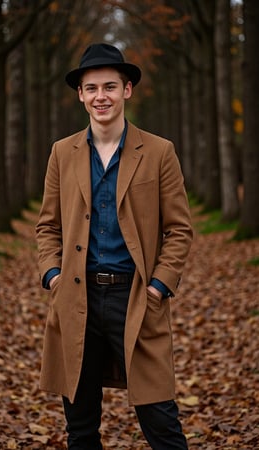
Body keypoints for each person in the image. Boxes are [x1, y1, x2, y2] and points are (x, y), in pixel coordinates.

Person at [36, 42, 193, 450]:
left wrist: (159, 285)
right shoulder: (61, 153)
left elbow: (179, 229)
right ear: (81, 95)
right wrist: (52, 275)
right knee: (81, 427)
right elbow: (47, 225)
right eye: (91, 88)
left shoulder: (159, 152)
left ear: (127, 90)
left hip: (137, 297)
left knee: (161, 421)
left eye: (109, 86)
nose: (100, 96)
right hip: (76, 297)